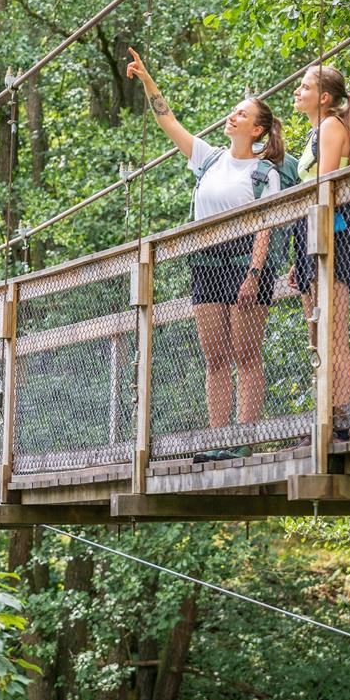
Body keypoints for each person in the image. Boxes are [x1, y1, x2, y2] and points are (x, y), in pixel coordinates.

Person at [125, 48, 285, 452]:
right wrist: (147, 81)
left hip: (247, 264)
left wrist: (254, 273)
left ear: (258, 131)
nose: (232, 117)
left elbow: (266, 224)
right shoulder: (208, 159)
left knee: (246, 355)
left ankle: (244, 439)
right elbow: (168, 120)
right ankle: (218, 439)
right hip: (206, 262)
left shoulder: (264, 172)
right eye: (233, 112)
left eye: (241, 115)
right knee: (215, 358)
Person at [289, 62, 350, 439]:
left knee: (334, 332)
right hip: (310, 238)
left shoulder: (332, 126)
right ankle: (323, 416)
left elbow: (325, 184)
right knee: (316, 334)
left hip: (334, 235)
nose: (297, 92)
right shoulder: (314, 132)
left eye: (304, 87)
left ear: (325, 98)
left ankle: (338, 419)